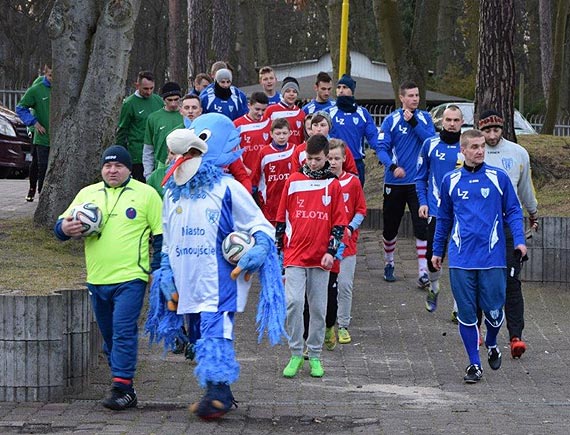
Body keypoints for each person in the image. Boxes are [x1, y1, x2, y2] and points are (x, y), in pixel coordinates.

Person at [146, 114, 286, 420]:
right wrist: (167, 270)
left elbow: (259, 225)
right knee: (197, 335)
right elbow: (168, 237)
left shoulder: (228, 188)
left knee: (215, 331)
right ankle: (221, 387)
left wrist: (260, 247)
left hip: (220, 279)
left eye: (195, 151)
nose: (184, 158)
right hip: (187, 281)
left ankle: (217, 394)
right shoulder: (172, 192)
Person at [54, 145, 163, 409]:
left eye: (118, 166)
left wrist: (158, 271)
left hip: (131, 277)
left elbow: (161, 236)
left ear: (128, 169)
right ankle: (126, 387)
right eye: (107, 166)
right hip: (97, 278)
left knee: (124, 332)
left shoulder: (147, 194)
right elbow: (60, 227)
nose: (112, 171)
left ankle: (121, 387)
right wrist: (65, 228)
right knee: (110, 336)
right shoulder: (87, 194)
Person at [432, 129, 526, 383]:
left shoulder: (498, 178)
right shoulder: (450, 180)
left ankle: (493, 342)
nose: (480, 151)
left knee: (495, 313)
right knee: (467, 315)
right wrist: (437, 250)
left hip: (492, 258)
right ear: (463, 151)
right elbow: (444, 219)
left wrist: (519, 241)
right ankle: (474, 364)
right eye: (474, 146)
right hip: (461, 259)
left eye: (482, 146)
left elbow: (514, 211)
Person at [276, 134, 347, 379]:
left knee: (318, 308)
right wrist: (279, 249)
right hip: (295, 253)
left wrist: (331, 251)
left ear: (327, 157)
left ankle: (314, 354)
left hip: (321, 258)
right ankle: (296, 352)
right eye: (309, 159)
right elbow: (281, 217)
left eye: (317, 159)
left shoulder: (333, 185)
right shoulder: (293, 180)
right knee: (293, 303)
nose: (313, 163)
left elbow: (339, 223)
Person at [479, 110, 539, 359]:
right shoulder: (472, 151)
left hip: (508, 227)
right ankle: (477, 329)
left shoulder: (517, 153)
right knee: (479, 282)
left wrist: (533, 212)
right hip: (480, 229)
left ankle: (516, 336)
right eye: (487, 131)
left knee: (512, 284)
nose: (492, 136)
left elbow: (525, 187)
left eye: (496, 130)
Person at [376, 80, 436, 284]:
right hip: (395, 183)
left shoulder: (424, 118)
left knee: (422, 226)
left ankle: (422, 272)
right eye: (410, 96)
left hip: (418, 183)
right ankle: (389, 262)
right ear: (402, 98)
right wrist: (393, 168)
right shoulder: (391, 120)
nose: (415, 99)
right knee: (390, 228)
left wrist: (413, 123)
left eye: (417, 95)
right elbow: (381, 148)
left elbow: (430, 140)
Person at [415, 105, 464, 313]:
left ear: (462, 122)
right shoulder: (430, 144)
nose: (452, 124)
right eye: (448, 120)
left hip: (463, 214)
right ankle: (434, 287)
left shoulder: (468, 146)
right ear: (441, 122)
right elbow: (420, 177)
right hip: (436, 211)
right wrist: (423, 202)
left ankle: (457, 306)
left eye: (456, 120)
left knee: (460, 259)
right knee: (433, 256)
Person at [326, 139, 366, 345]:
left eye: (336, 158)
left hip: (347, 245)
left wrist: (350, 228)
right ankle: (326, 325)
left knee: (345, 285)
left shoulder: (352, 182)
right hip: (323, 245)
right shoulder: (320, 182)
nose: (333, 162)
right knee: (324, 286)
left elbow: (361, 209)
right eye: (329, 158)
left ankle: (343, 325)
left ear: (344, 159)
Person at [327, 74, 378, 186]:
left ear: (352, 91)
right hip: (333, 162)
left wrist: (383, 151)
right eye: (339, 87)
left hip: (356, 162)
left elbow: (373, 137)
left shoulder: (362, 113)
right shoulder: (329, 112)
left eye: (345, 87)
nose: (341, 90)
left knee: (354, 200)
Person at [115, 71, 164, 182]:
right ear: (137, 85)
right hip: (138, 154)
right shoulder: (129, 103)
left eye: (151, 88)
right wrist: (120, 152)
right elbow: (122, 129)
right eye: (145, 89)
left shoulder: (158, 101)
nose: (149, 92)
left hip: (157, 153)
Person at [15, 64, 52, 199]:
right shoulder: (38, 87)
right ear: (45, 74)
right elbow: (22, 107)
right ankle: (35, 190)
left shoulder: (63, 87)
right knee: (39, 164)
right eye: (50, 75)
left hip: (56, 136)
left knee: (48, 166)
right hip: (41, 134)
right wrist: (33, 123)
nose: (53, 79)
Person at [251, 118, 295, 225]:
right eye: (278, 133)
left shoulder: (294, 150)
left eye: (284, 133)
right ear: (271, 134)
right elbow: (255, 177)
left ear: (290, 133)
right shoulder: (264, 152)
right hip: (269, 204)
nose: (281, 136)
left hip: (290, 202)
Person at [291, 111, 358, 176]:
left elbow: (352, 173)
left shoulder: (340, 146)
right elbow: (294, 176)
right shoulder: (300, 150)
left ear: (329, 127)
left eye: (323, 125)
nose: (319, 129)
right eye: (315, 125)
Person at [142, 82, 184, 179]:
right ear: (163, 100)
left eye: (176, 100)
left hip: (183, 165)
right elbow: (148, 148)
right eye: (169, 100)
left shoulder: (185, 116)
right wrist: (148, 174)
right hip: (161, 166)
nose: (173, 103)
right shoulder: (153, 118)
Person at [233, 91, 271, 175]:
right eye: (257, 109)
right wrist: (242, 168)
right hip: (245, 174)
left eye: (263, 110)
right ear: (249, 105)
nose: (260, 113)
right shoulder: (237, 124)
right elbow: (233, 151)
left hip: (264, 175)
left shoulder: (269, 123)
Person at [263, 76, 305, 146]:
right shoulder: (271, 110)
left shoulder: (301, 113)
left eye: (294, 91)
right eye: (288, 91)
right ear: (283, 93)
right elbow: (266, 135)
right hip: (276, 154)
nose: (291, 94)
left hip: (295, 153)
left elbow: (302, 138)